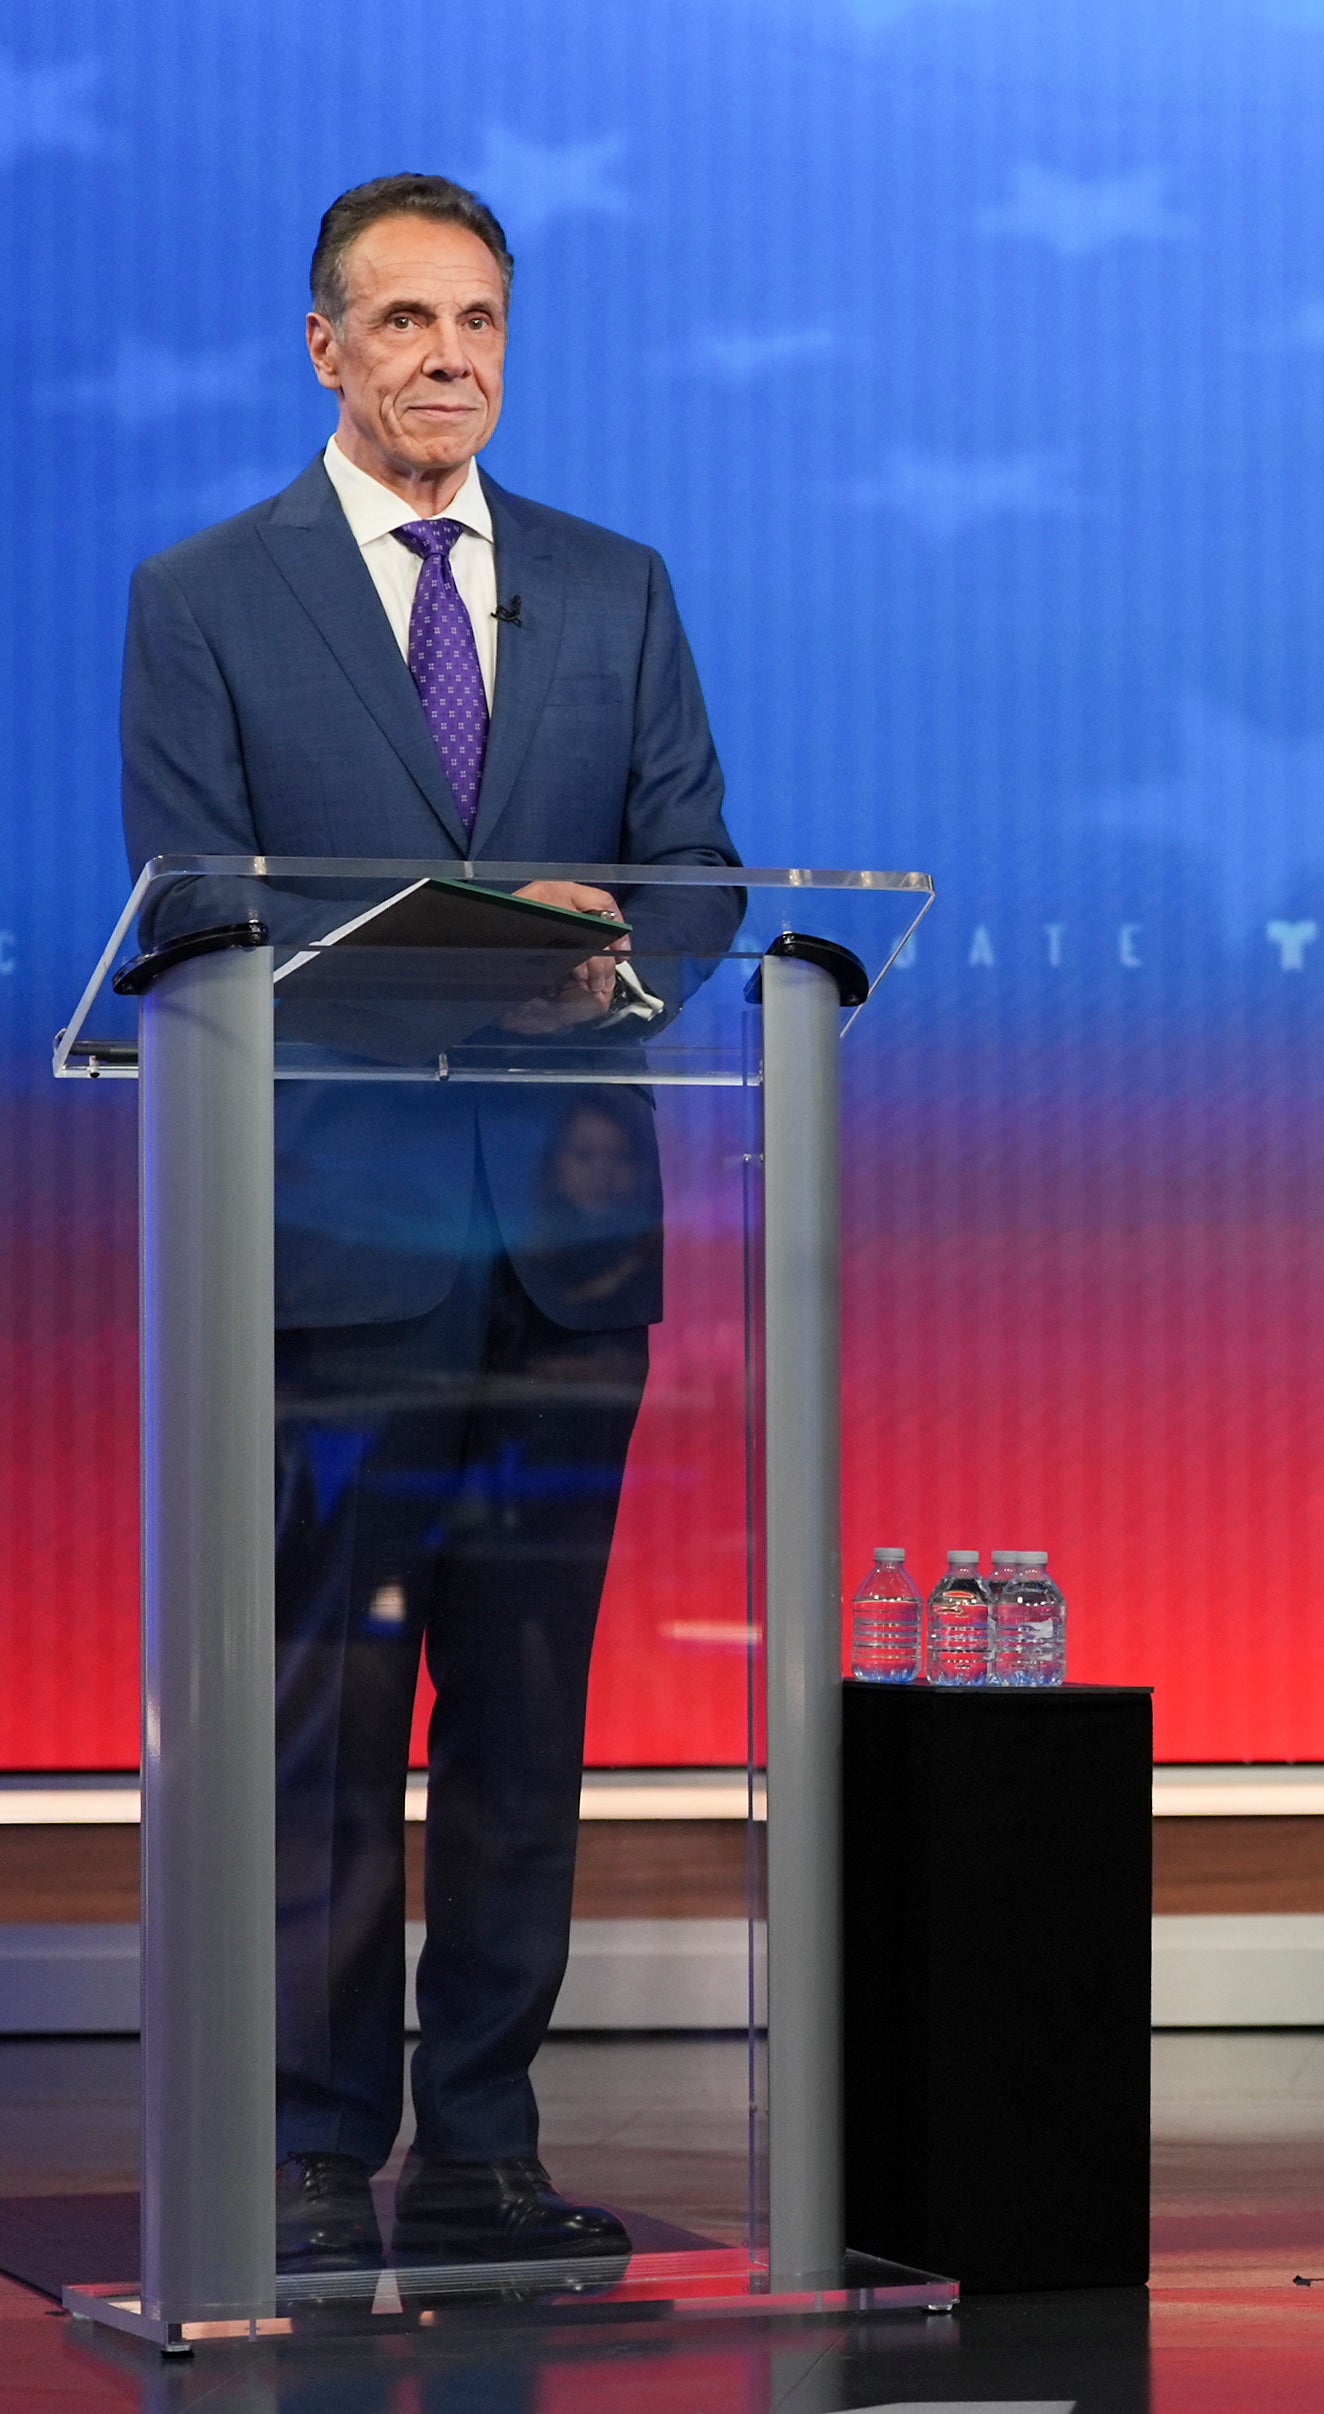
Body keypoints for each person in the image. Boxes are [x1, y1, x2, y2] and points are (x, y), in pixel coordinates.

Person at [121, 174, 744, 2272]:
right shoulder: (207, 595)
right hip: (331, 1243)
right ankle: (314, 2139)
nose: (444, 358)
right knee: (327, 1721)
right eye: (400, 322)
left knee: (523, 1713)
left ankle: (481, 2136)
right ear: (325, 347)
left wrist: (619, 953)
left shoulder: (615, 585)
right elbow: (199, 901)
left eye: (476, 319)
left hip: (566, 1256)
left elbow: (700, 875)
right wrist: (445, 947)